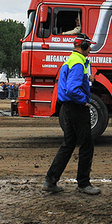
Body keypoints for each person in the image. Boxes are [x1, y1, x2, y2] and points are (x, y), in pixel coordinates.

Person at [43, 33, 100, 195]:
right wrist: (84, 101)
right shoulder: (78, 62)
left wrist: (86, 79)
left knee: (68, 144)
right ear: (82, 46)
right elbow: (72, 89)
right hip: (76, 107)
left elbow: (70, 84)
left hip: (68, 108)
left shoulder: (71, 59)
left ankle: (50, 180)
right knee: (87, 145)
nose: (90, 48)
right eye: (88, 46)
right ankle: (83, 184)